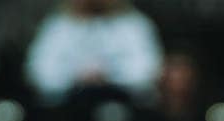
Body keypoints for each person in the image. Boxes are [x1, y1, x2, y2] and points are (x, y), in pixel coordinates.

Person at [23, 0, 163, 105]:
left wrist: (108, 75)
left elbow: (149, 70)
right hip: (67, 107)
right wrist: (77, 76)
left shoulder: (134, 25)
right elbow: (39, 71)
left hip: (123, 105)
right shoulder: (58, 26)